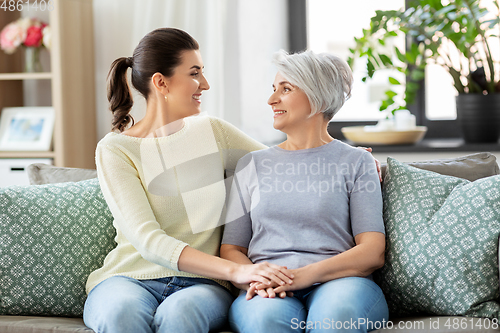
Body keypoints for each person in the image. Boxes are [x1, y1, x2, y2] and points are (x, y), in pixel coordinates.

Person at [82, 27, 295, 333]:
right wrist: (237, 271)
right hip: (129, 278)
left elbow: (285, 164)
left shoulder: (212, 131)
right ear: (160, 82)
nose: (205, 84)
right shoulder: (115, 150)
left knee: (180, 314)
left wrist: (352, 160)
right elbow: (148, 241)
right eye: (195, 73)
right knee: (120, 314)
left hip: (202, 285)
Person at [220, 50, 389, 333]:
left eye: (285, 89)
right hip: (267, 285)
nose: (271, 99)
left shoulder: (357, 161)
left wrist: (301, 276)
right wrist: (255, 275)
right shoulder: (251, 164)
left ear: (318, 97)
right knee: (264, 322)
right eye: (274, 89)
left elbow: (372, 251)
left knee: (334, 319)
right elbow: (232, 249)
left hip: (341, 283)